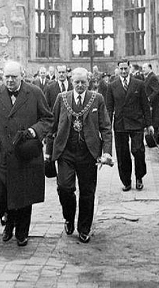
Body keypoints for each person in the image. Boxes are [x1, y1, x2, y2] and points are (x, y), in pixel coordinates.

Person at [0, 61, 53, 247]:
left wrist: (34, 131)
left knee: (23, 194)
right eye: (7, 77)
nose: (10, 81)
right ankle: (8, 219)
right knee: (0, 191)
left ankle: (22, 231)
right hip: (0, 152)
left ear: (22, 76)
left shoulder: (34, 92)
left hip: (24, 152)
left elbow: (48, 119)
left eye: (14, 77)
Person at [45, 67, 112, 243]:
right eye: (77, 82)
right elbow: (52, 126)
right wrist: (48, 152)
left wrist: (106, 152)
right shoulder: (62, 98)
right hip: (65, 151)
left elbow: (105, 127)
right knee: (65, 188)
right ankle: (68, 217)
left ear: (88, 82)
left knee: (87, 192)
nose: (80, 85)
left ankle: (84, 228)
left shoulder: (97, 99)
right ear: (71, 81)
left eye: (83, 82)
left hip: (88, 153)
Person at [106, 58, 154, 191]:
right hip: (120, 124)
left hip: (137, 123)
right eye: (121, 69)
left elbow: (145, 105)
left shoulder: (139, 84)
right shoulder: (112, 85)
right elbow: (109, 107)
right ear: (117, 70)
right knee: (122, 154)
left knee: (138, 151)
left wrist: (149, 124)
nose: (123, 71)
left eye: (125, 69)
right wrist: (107, 126)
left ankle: (139, 177)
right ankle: (126, 181)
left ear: (129, 68)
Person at [142, 63, 159, 144]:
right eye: (142, 68)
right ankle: (152, 141)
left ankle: (154, 141)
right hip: (151, 105)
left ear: (150, 68)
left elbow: (157, 90)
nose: (143, 69)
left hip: (154, 105)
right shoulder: (148, 77)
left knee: (154, 122)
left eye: (144, 68)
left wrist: (149, 98)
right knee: (152, 122)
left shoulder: (152, 77)